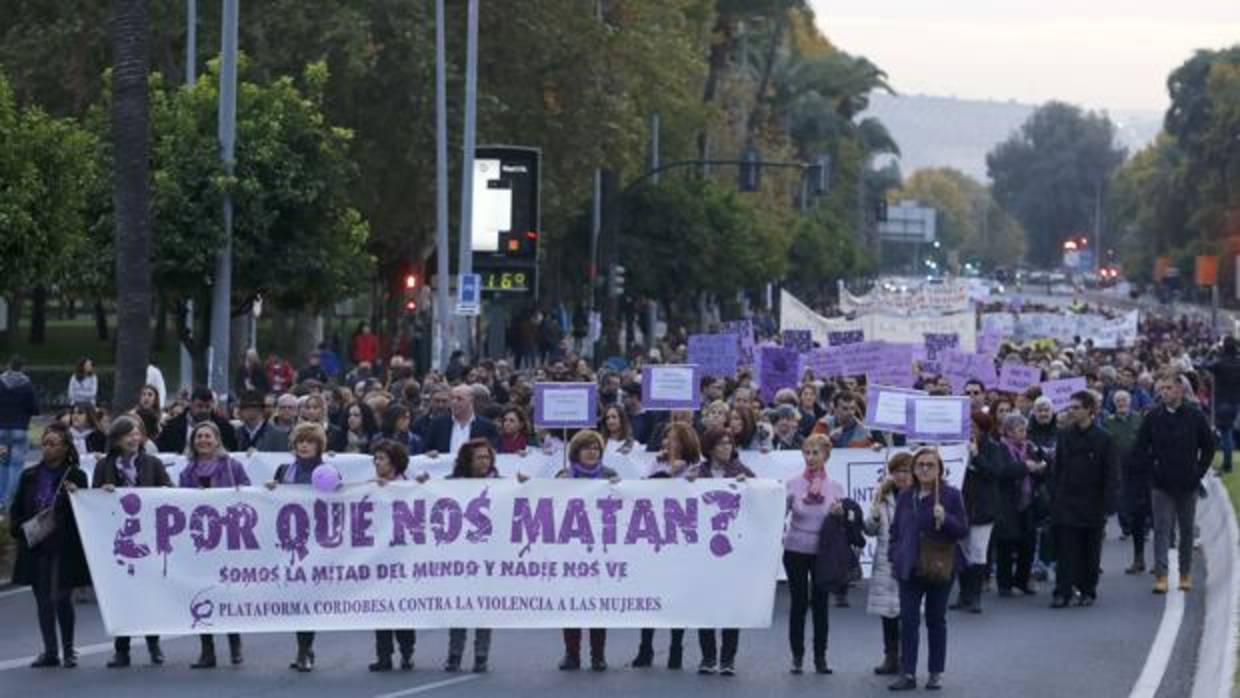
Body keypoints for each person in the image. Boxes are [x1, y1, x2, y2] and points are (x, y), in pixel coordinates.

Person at [93, 415, 173, 667]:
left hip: (147, 539)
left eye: (137, 433)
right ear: (116, 439)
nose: (133, 438)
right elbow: (93, 501)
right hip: (117, 540)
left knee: (149, 593)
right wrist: (102, 492)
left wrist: (161, 493)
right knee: (121, 595)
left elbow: (171, 490)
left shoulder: (152, 463)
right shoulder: (104, 465)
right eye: (128, 434)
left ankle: (153, 644)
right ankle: (122, 649)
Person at [887, 447, 969, 691]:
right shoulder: (905, 496)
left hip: (939, 566)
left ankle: (935, 672)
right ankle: (908, 673)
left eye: (930, 465)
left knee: (936, 620)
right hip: (909, 567)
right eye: (920, 464)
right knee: (909, 621)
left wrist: (946, 519)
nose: (924, 469)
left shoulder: (951, 495)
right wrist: (895, 553)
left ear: (939, 470)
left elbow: (962, 530)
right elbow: (895, 531)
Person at [9, 423, 89, 668]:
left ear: (66, 448)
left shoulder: (75, 475)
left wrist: (75, 495)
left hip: (64, 546)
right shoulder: (30, 475)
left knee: (62, 597)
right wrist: (21, 529)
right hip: (37, 544)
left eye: (53, 444)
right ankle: (50, 651)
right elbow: (18, 507)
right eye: (45, 443)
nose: (47, 448)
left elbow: (87, 511)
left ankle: (68, 649)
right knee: (43, 600)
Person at [1133, 375, 1216, 593]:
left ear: (1180, 391)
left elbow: (1208, 447)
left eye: (1169, 388)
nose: (1164, 392)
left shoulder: (1195, 416)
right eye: (1162, 389)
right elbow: (1141, 447)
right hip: (1161, 483)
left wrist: (1198, 472)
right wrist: (1152, 470)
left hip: (1188, 482)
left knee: (1186, 529)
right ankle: (1161, 575)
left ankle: (1185, 573)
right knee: (1161, 529)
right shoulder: (1153, 417)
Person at [630, 423, 700, 672]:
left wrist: (684, 476)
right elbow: (645, 490)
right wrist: (665, 474)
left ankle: (676, 648)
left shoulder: (695, 466)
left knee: (676, 594)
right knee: (650, 592)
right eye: (667, 440)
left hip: (681, 539)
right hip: (654, 536)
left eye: (675, 440)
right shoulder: (657, 463)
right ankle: (645, 647)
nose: (669, 444)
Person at [180, 421, 250, 667]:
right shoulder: (187, 473)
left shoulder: (232, 466)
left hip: (228, 541)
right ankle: (207, 649)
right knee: (201, 594)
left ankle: (235, 644)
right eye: (199, 437)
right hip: (200, 544)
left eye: (208, 436)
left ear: (217, 440)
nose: (203, 441)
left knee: (229, 594)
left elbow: (249, 496)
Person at [265, 423, 329, 671]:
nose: (304, 445)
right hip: (290, 542)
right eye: (300, 441)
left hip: (317, 543)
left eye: (309, 441)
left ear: (319, 446)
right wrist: (271, 489)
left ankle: (305, 649)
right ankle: (303, 647)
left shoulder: (326, 471)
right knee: (295, 597)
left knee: (309, 597)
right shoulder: (284, 470)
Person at [692, 427, 754, 675]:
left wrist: (749, 486)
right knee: (705, 604)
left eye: (729, 443)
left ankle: (728, 658)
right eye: (721, 444)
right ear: (709, 449)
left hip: (733, 549)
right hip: (704, 550)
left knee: (731, 604)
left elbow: (762, 496)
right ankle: (708, 657)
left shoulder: (741, 472)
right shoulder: (698, 473)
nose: (727, 447)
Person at [1049, 390, 1119, 608]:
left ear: (1090, 410)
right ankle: (1063, 591)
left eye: (1077, 407)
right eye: (1070, 407)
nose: (1072, 411)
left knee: (1090, 551)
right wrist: (1056, 496)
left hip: (1092, 501)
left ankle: (1088, 590)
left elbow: (1111, 473)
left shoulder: (1104, 439)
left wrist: (1108, 502)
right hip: (1067, 500)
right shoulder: (1065, 435)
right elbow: (1057, 468)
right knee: (1066, 550)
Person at [556, 430, 618, 671]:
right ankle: (572, 654)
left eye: (596, 448)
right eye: (587, 448)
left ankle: (598, 655)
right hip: (572, 548)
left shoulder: (610, 475)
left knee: (598, 604)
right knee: (572, 603)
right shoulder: (564, 476)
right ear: (576, 452)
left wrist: (619, 487)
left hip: (603, 547)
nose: (592, 452)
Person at [782, 433, 844, 675]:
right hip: (796, 548)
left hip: (823, 552)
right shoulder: (792, 484)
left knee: (821, 605)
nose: (810, 457)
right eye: (806, 452)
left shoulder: (835, 487)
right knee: (798, 603)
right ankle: (797, 656)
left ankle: (821, 657)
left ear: (826, 455)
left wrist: (841, 514)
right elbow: (779, 514)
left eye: (815, 452)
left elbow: (846, 522)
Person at [443, 438, 502, 673]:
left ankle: (481, 655)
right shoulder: (451, 484)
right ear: (468, 460)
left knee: (483, 607)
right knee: (459, 606)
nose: (485, 462)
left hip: (487, 556)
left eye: (488, 457)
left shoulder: (499, 485)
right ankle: (454, 654)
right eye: (480, 457)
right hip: (460, 556)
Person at [368, 439, 416, 672]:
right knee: (380, 608)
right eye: (375, 459)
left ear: (395, 462)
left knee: (403, 609)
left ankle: (407, 652)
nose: (377, 463)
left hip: (404, 557)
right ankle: (384, 655)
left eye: (382, 459)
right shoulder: (371, 487)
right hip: (378, 558)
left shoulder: (410, 487)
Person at [865, 452, 912, 676]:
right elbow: (870, 530)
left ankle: (906, 657)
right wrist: (873, 516)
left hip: (911, 559)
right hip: (886, 559)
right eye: (897, 471)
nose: (902, 476)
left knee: (907, 612)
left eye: (906, 470)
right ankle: (890, 656)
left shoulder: (919, 496)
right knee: (888, 612)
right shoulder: (883, 496)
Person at [993, 414, 1047, 595]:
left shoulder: (1029, 447)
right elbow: (1001, 471)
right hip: (1007, 503)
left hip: (1028, 501)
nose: (1024, 433)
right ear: (1008, 432)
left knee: (1028, 544)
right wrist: (1025, 467)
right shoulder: (1000, 449)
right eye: (1020, 430)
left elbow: (1039, 467)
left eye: (1025, 430)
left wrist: (1040, 467)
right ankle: (1005, 584)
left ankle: (1022, 580)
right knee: (1006, 545)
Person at [953, 412, 1000, 614]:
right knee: (962, 552)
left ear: (982, 427)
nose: (969, 428)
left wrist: (977, 456)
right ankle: (963, 595)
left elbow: (994, 472)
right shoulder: (957, 446)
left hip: (982, 508)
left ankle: (976, 596)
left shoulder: (992, 447)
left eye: (973, 425)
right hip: (962, 506)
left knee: (978, 552)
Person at [1104, 390, 1148, 572]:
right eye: (1118, 401)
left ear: (1130, 402)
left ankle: (1146, 559)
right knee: (1126, 507)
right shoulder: (1108, 422)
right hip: (1119, 471)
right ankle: (1137, 554)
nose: (1121, 403)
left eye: (1124, 400)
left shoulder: (1140, 419)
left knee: (1143, 513)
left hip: (1140, 472)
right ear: (1114, 404)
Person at [0, 355, 39, 508]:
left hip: (1, 430)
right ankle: (10, 502)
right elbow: (35, 408)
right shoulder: (26, 384)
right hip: (19, 429)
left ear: (8, 366)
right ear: (22, 367)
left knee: (2, 464)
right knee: (15, 466)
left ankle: (0, 501)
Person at [156, 386, 238, 454]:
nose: (204, 410)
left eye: (207, 407)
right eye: (199, 406)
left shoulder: (224, 427)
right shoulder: (172, 427)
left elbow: (232, 450)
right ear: (190, 404)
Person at [424, 385, 499, 455]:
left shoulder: (486, 426)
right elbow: (427, 448)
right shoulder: (438, 424)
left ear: (471, 401)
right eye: (452, 398)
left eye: (459, 399)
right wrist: (430, 453)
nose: (454, 402)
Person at [1207, 336, 1240, 473]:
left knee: (1226, 433)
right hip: (1235, 401)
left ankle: (1227, 464)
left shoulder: (1219, 363)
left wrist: (1211, 352)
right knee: (1228, 432)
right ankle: (1228, 462)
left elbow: (1203, 364)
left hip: (1221, 401)